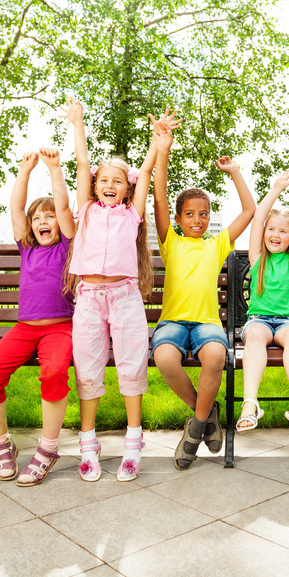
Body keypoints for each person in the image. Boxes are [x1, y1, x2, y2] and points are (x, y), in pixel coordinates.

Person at [63, 98, 177, 482]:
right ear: (95, 186)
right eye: (103, 180)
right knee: (88, 370)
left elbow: (145, 171)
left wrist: (156, 142)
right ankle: (88, 443)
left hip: (126, 298)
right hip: (90, 300)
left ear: (127, 191)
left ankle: (133, 442)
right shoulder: (87, 211)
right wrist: (78, 124)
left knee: (131, 367)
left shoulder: (132, 213)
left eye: (117, 181)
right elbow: (81, 164)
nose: (110, 185)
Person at [152, 124, 257, 470]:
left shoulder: (217, 244)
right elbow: (160, 199)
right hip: (172, 323)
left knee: (215, 356)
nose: (197, 220)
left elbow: (249, 211)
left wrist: (235, 172)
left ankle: (195, 430)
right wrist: (163, 151)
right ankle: (206, 411)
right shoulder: (171, 241)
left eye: (204, 214)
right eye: (190, 214)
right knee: (166, 357)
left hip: (207, 324)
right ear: (179, 218)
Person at [0, 147, 75, 486]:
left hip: (61, 329)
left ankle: (47, 450)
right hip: (24, 330)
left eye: (50, 217)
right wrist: (25, 171)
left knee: (54, 373)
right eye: (38, 218)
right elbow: (16, 208)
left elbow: (63, 206)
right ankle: (2, 445)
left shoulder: (68, 247)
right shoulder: (27, 248)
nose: (44, 221)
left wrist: (55, 169)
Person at [237, 168, 289, 436]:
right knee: (256, 337)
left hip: (288, 323)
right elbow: (258, 217)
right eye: (271, 229)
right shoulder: (258, 257)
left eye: (283, 231)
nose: (275, 234)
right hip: (258, 321)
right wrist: (276, 189)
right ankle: (250, 405)